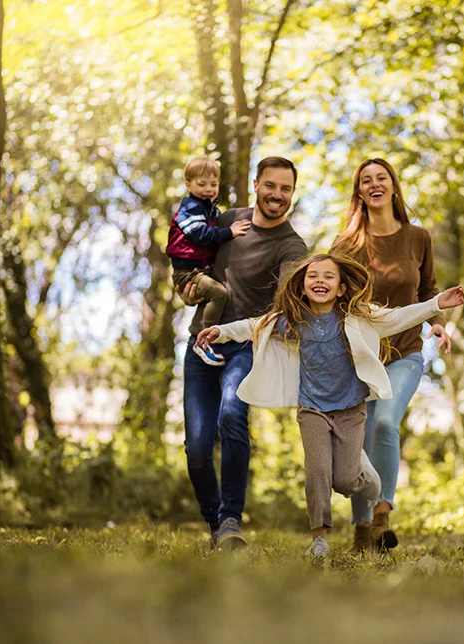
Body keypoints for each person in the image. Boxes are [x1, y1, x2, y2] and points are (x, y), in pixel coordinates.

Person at [195, 253, 464, 558]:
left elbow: (397, 317)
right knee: (318, 470)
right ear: (301, 286)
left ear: (340, 288)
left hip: (351, 410)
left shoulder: (357, 318)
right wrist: (221, 331)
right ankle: (319, 539)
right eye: (312, 276)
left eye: (328, 276)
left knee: (345, 481)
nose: (319, 281)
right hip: (312, 409)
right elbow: (255, 325)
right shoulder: (292, 320)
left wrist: (437, 303)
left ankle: (366, 475)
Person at [178, 157, 308, 550]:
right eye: (271, 186)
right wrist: (186, 289)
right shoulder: (226, 221)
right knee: (197, 448)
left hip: (248, 346)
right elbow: (188, 260)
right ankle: (215, 523)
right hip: (202, 342)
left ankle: (231, 518)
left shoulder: (292, 245)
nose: (277, 195)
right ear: (255, 185)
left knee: (233, 415)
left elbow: (288, 298)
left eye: (285, 189)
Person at [330, 158, 452, 553]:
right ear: (360, 193)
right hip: (360, 358)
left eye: (381, 177)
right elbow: (330, 294)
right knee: (359, 441)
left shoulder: (419, 238)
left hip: (406, 353)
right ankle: (361, 529)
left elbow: (428, 291)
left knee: (384, 423)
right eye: (366, 180)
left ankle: (382, 515)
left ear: (393, 187)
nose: (374, 184)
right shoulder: (347, 243)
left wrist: (438, 322)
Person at [165, 156, 251, 366]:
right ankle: (204, 340)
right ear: (188, 185)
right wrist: (229, 232)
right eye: (201, 184)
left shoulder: (208, 208)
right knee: (219, 294)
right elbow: (201, 235)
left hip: (200, 270)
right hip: (188, 272)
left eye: (213, 184)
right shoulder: (190, 208)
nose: (208, 189)